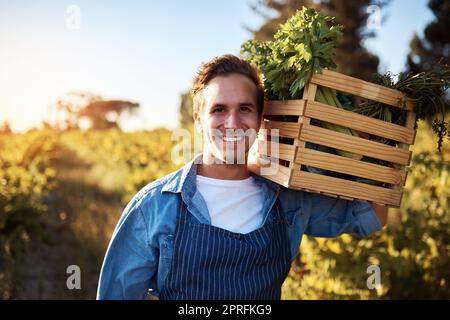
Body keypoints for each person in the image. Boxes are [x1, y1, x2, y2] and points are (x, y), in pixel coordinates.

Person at [97, 54, 387, 300]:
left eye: (245, 109)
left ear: (260, 120)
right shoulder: (155, 207)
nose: (233, 123)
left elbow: (372, 216)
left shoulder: (287, 199)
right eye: (219, 110)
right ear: (198, 119)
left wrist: (362, 146)